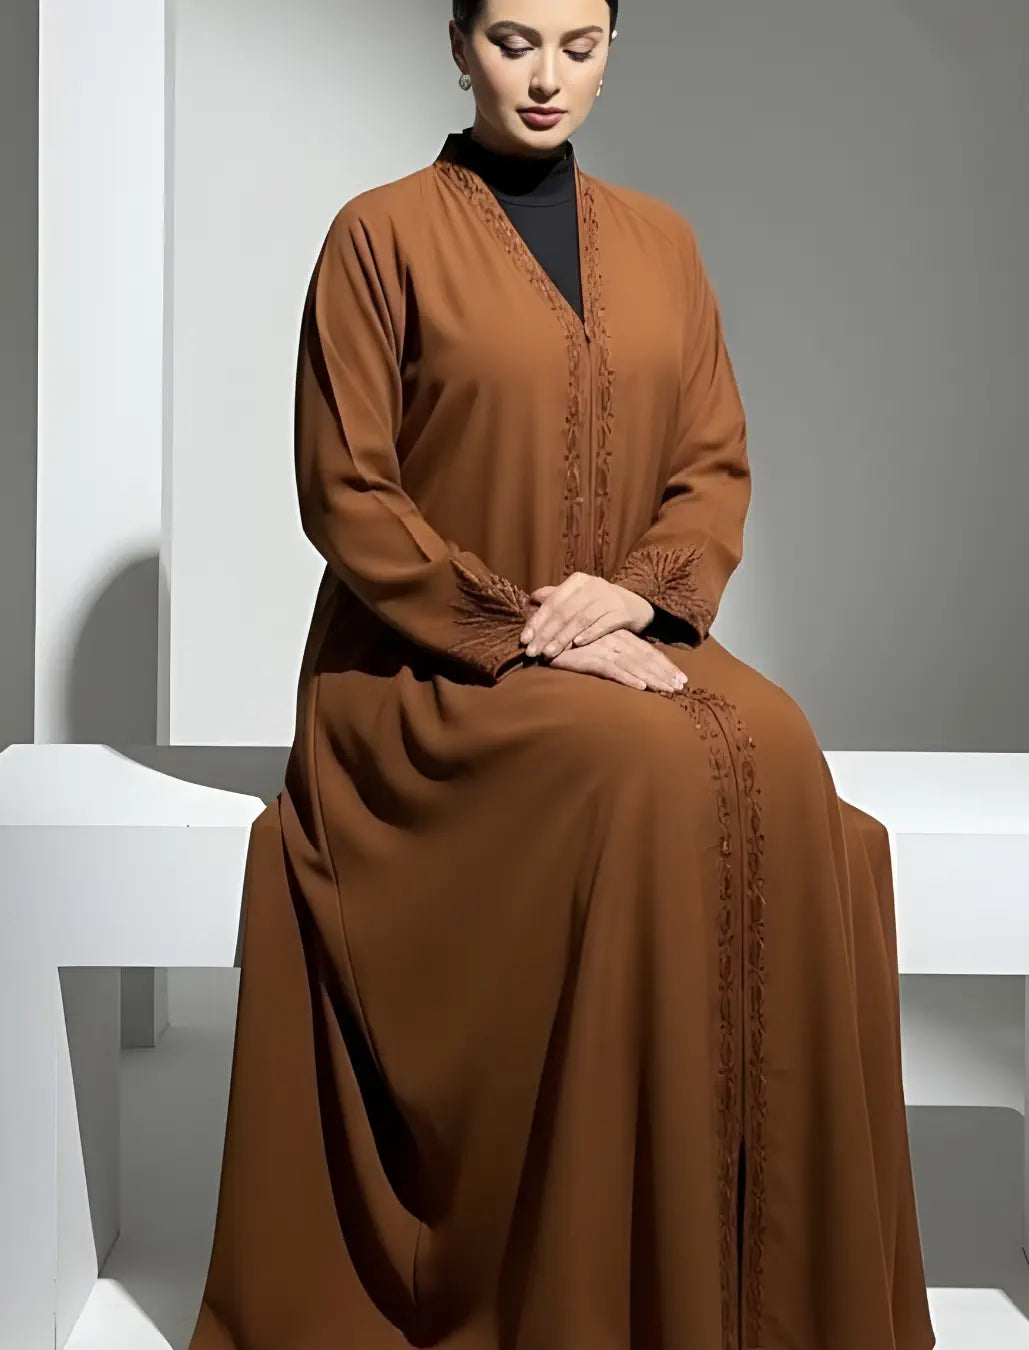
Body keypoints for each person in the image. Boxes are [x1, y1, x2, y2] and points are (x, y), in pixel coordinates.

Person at [188, 1, 936, 1347]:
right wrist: (520, 624)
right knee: (644, 774)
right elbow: (345, 492)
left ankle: (770, 1290)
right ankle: (618, 1276)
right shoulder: (379, 236)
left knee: (782, 748)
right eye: (515, 40)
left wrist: (640, 597)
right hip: (426, 671)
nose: (546, 76)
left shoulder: (664, 243)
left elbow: (712, 461)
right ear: (460, 42)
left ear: (610, 51)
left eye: (579, 45)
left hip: (628, 635)